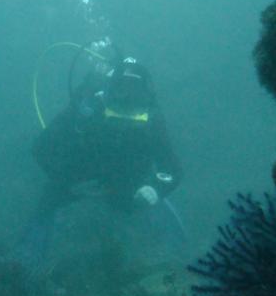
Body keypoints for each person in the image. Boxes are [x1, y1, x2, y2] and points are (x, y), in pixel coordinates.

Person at [20, 47, 183, 273]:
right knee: (48, 205)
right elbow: (41, 148)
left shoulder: (151, 120)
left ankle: (177, 257)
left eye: (136, 92)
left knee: (150, 211)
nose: (128, 99)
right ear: (110, 89)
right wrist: (67, 182)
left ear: (147, 93)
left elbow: (173, 169)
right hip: (78, 183)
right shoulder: (88, 109)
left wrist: (155, 188)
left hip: (129, 189)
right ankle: (26, 263)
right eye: (122, 90)